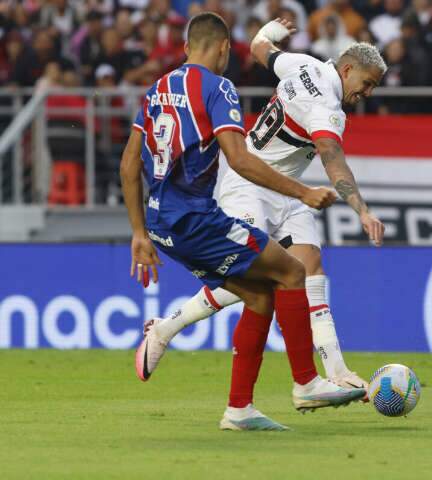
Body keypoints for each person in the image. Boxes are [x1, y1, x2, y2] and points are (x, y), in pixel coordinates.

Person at [121, 12, 365, 431]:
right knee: (292, 272)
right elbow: (239, 159)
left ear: (185, 47)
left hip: (161, 225)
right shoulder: (219, 88)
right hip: (199, 219)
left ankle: (239, 409)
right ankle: (306, 382)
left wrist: (139, 233)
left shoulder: (156, 89)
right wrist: (302, 192)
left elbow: (128, 165)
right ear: (220, 50)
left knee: (259, 297)